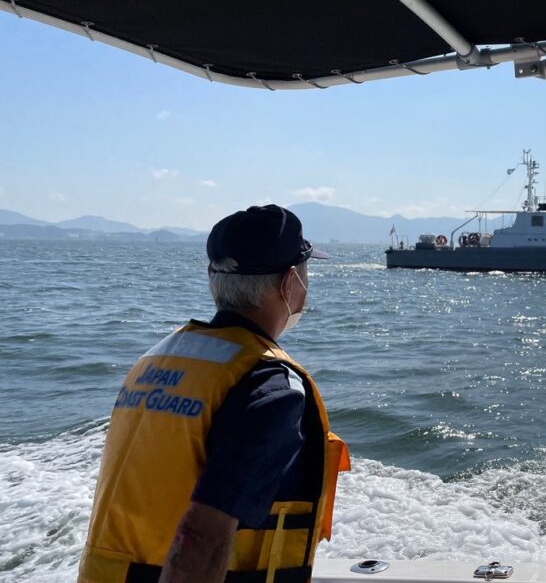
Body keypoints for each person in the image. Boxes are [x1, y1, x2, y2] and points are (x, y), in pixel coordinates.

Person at [79, 204, 350, 583]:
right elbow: (201, 537)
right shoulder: (267, 385)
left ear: (212, 276)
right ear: (290, 283)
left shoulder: (155, 360)